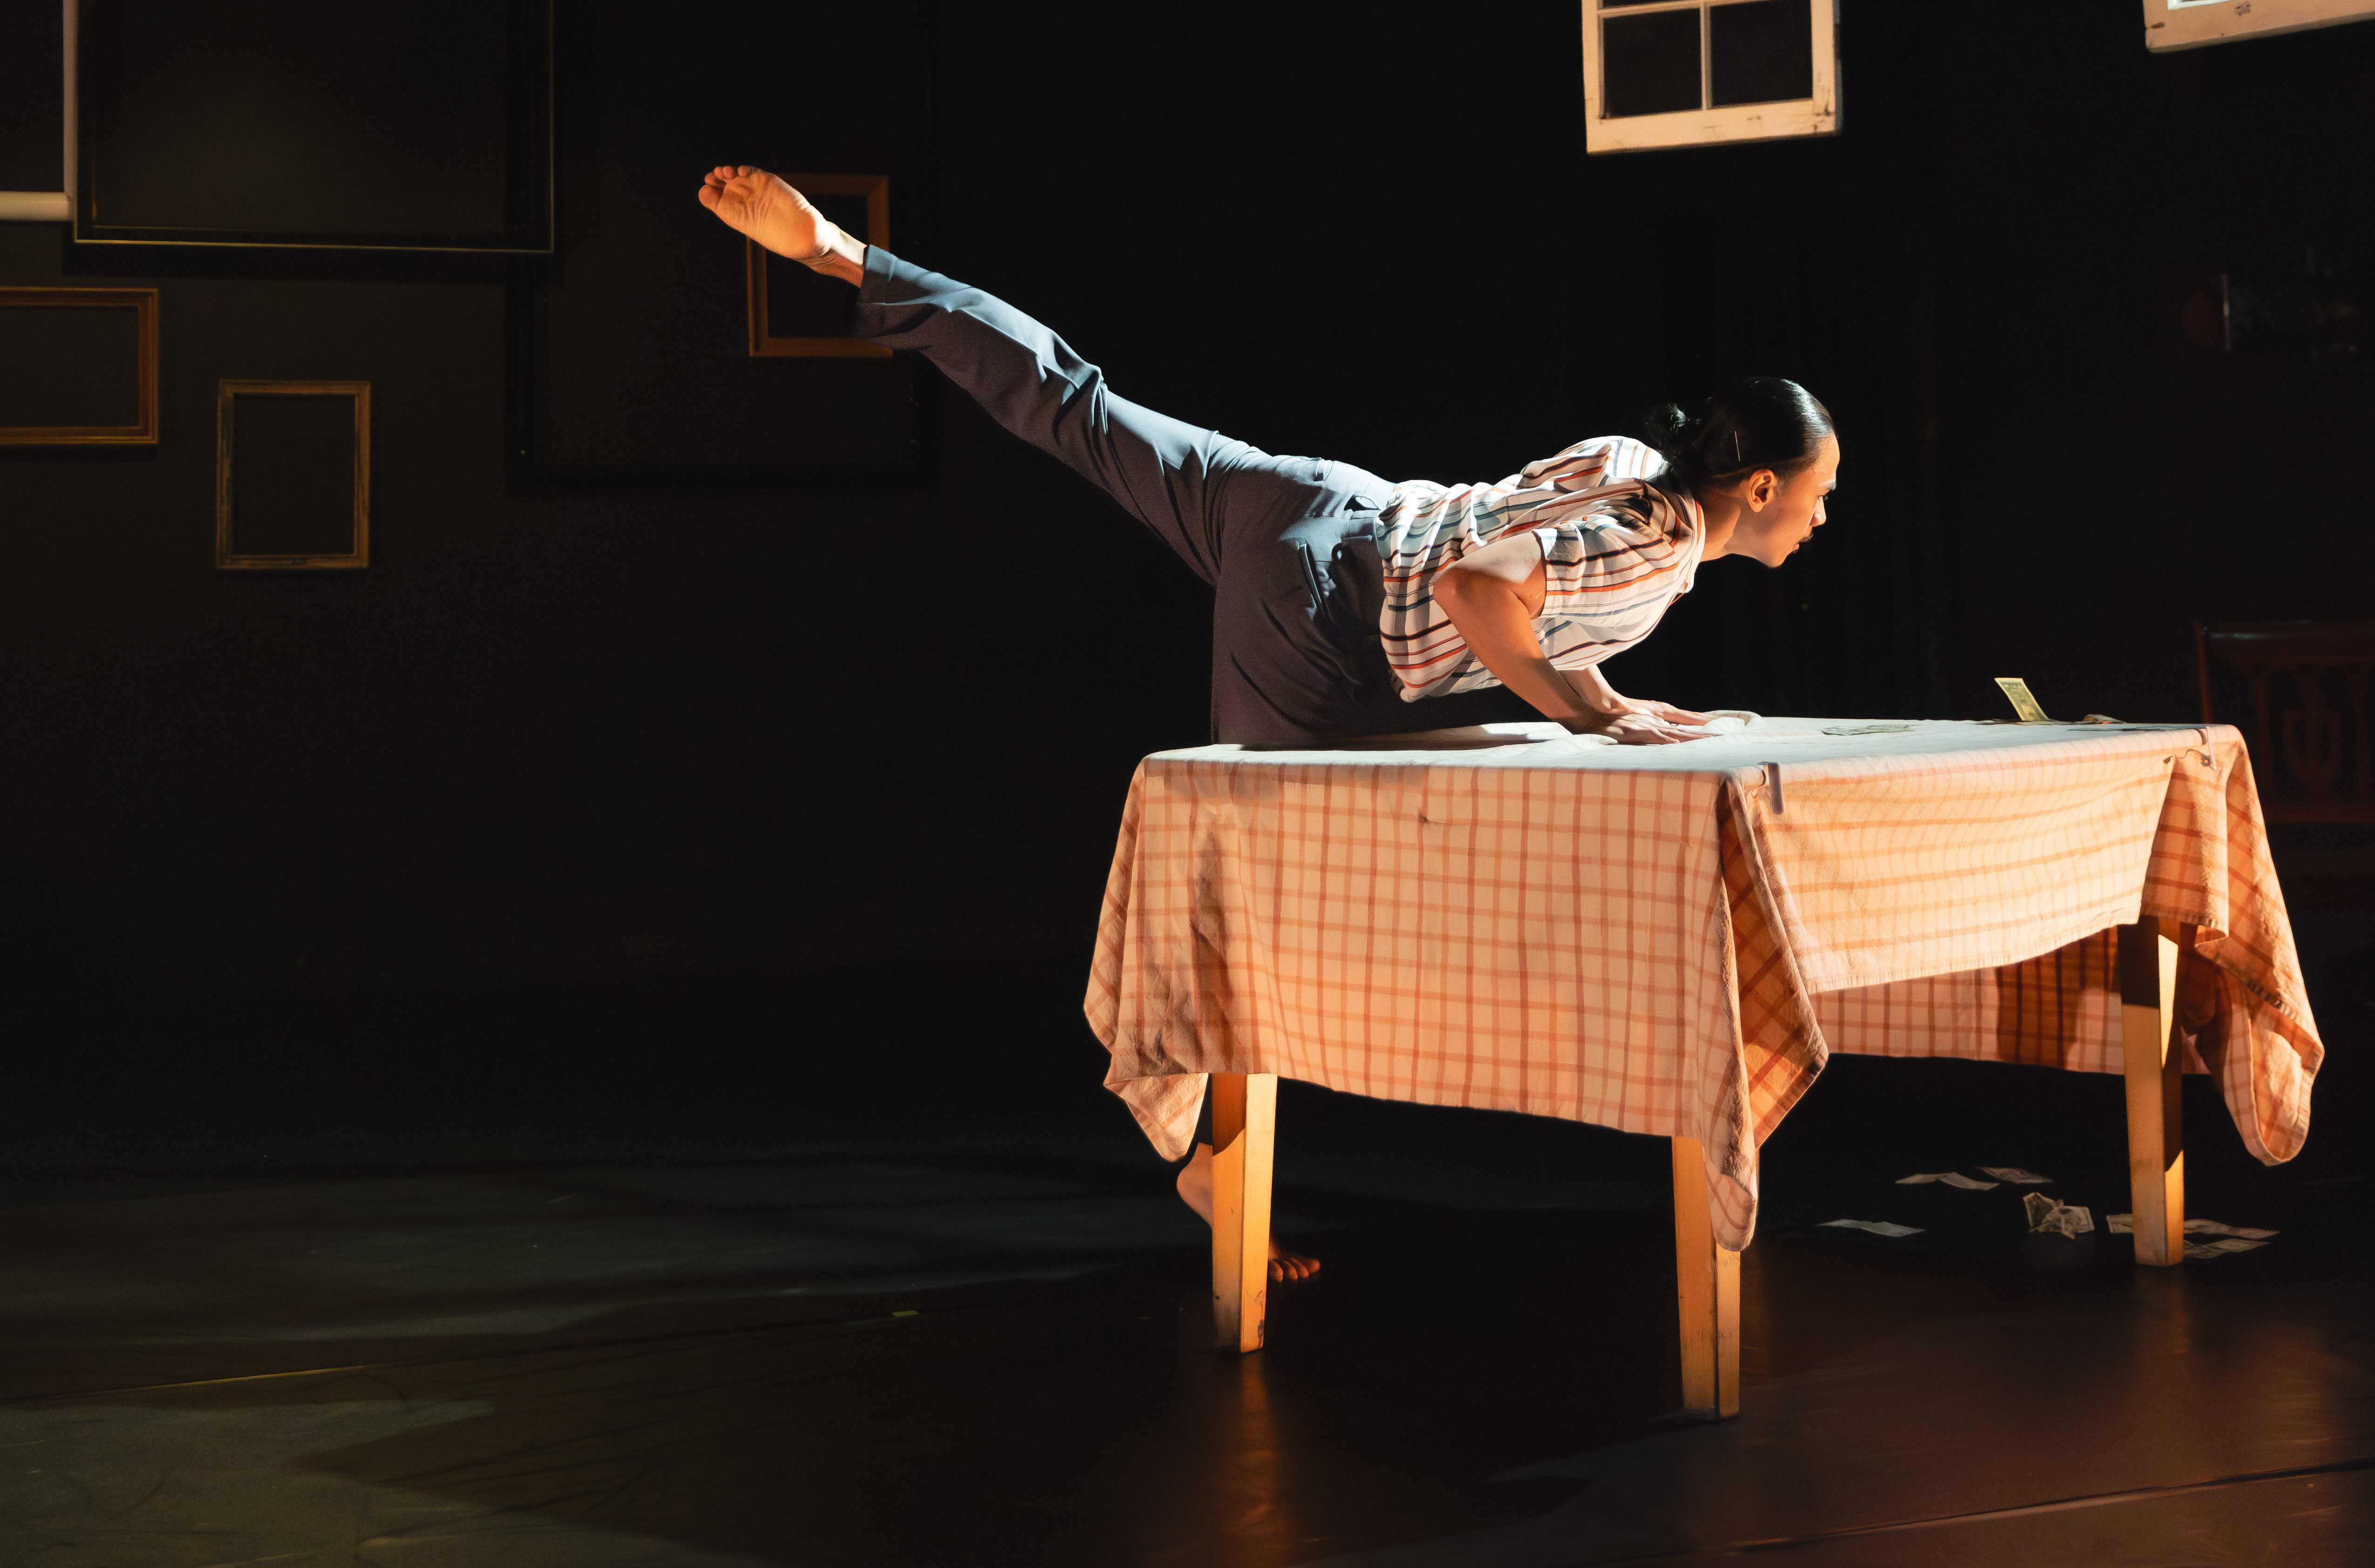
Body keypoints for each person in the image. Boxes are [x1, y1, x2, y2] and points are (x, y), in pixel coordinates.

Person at [696, 166, 1842, 1272]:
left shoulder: (1636, 458)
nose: (1820, 513)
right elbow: (1476, 589)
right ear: (1757, 488)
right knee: (1266, 888)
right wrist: (1598, 708)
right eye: (1818, 489)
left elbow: (1495, 561)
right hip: (1319, 614)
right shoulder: (1653, 538)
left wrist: (1593, 689)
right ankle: (1210, 1157)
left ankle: (840, 253)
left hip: (1309, 499)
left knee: (1078, 404)